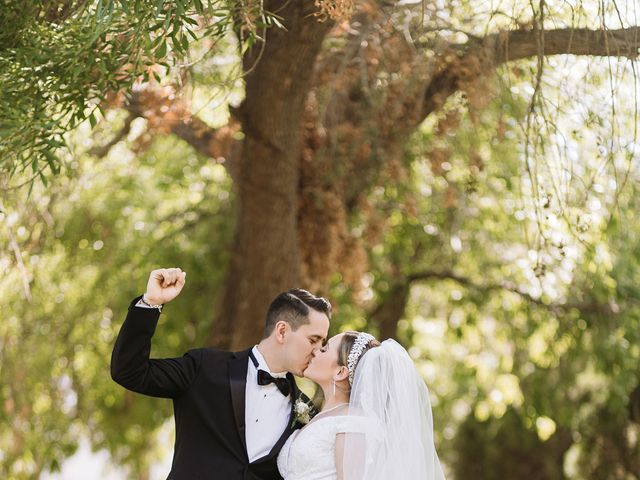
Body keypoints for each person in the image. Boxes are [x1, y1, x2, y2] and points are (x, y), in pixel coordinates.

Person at [111, 267, 332, 480]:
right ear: (282, 331)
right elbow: (129, 371)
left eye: (322, 342)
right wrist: (151, 302)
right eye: (313, 340)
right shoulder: (205, 367)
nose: (318, 350)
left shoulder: (307, 413)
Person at [277, 331, 445, 480]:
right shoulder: (319, 415)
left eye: (324, 349)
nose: (315, 350)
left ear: (340, 372)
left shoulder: (353, 423)